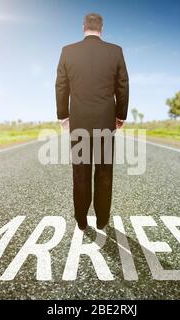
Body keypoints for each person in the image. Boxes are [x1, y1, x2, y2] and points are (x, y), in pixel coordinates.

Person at [55, 13, 129, 230]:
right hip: (105, 120)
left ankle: (81, 219)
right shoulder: (115, 51)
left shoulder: (68, 51)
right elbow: (123, 85)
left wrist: (63, 115)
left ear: (83, 27)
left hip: (79, 121)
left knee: (81, 171)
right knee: (104, 171)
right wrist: (120, 115)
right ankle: (102, 219)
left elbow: (61, 85)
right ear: (101, 28)